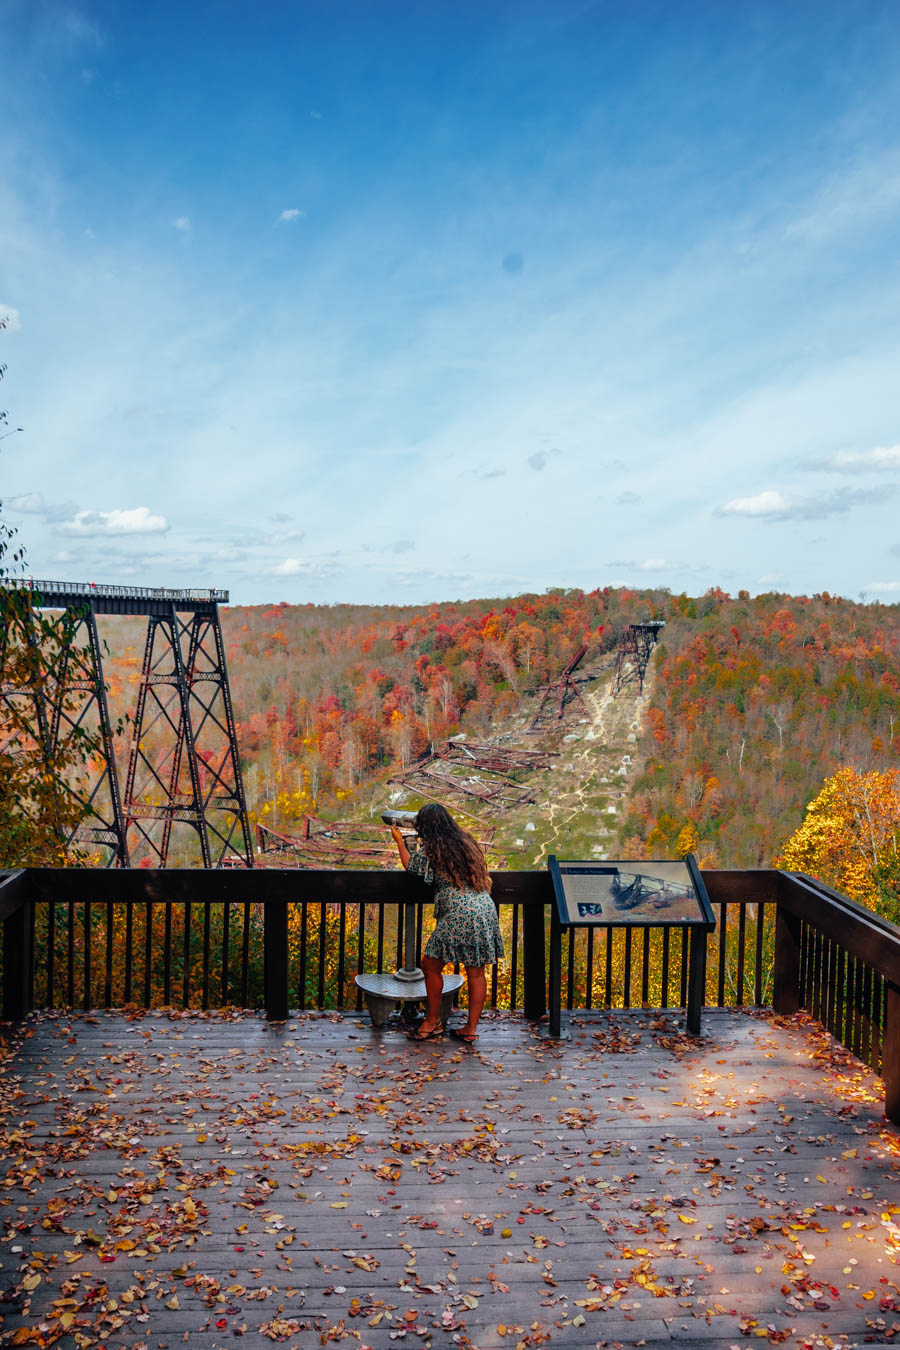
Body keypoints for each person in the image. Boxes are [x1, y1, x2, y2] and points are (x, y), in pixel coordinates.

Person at [389, 802, 504, 1044]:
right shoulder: (467, 842)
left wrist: (399, 840)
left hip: (457, 911)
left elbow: (411, 866)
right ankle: (470, 1029)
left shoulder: (433, 849)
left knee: (430, 966)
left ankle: (432, 1022)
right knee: (476, 972)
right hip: (484, 907)